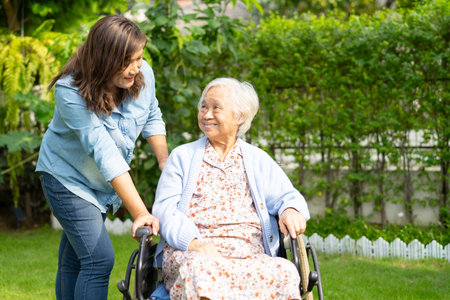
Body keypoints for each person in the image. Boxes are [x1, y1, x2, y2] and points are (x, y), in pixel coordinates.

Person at [36, 15, 168, 300]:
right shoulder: (69, 91)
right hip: (66, 179)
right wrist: (140, 212)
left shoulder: (142, 73)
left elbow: (152, 115)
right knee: (99, 259)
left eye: (139, 58)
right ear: (104, 59)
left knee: (75, 260)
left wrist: (164, 161)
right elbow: (104, 152)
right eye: (128, 61)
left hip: (98, 183)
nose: (137, 67)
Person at [152, 77, 310, 299]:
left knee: (284, 271)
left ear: (240, 116)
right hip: (195, 252)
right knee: (202, 270)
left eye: (216, 108)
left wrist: (290, 210)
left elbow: (287, 196)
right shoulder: (182, 156)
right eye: (203, 107)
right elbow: (164, 210)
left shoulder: (257, 159)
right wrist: (193, 243)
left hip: (249, 255)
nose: (206, 114)